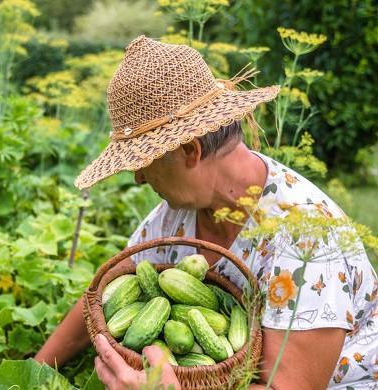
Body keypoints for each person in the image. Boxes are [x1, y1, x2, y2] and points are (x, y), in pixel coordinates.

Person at [35, 35, 378, 389]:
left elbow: (291, 386)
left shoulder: (306, 238)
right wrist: (37, 369)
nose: (137, 177)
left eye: (144, 161)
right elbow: (115, 278)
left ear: (190, 151)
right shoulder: (177, 213)